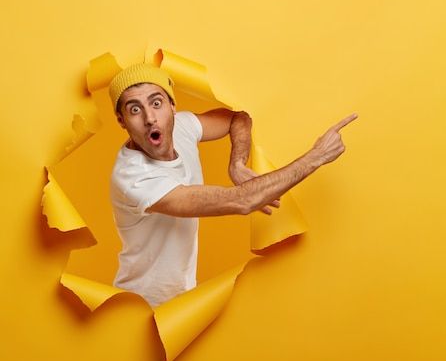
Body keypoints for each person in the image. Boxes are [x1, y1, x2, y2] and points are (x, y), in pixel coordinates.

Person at [108, 63, 357, 307]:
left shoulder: (183, 126)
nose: (150, 118)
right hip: (139, 309)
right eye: (134, 110)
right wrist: (317, 156)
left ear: (172, 106)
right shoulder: (133, 177)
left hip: (182, 301)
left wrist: (237, 163)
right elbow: (241, 200)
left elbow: (239, 117)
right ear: (122, 121)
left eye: (156, 103)